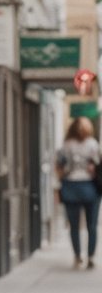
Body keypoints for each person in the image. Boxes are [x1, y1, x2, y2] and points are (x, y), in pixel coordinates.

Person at [55, 115, 101, 269]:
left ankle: (78, 256)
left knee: (74, 225)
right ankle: (90, 257)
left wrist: (63, 175)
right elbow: (97, 165)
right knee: (91, 225)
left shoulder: (66, 145)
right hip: (90, 187)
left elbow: (59, 167)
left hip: (71, 186)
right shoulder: (93, 144)